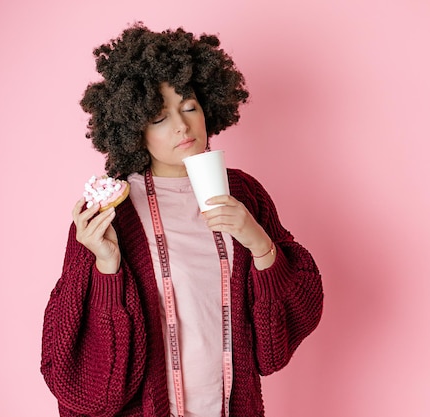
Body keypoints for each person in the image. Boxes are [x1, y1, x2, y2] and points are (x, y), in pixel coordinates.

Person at [40, 22, 323, 417]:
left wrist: (259, 243)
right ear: (133, 129)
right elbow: (83, 376)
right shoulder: (109, 212)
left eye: (189, 106)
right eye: (159, 117)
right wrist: (107, 268)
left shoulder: (245, 194)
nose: (181, 124)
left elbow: (273, 347)